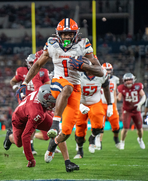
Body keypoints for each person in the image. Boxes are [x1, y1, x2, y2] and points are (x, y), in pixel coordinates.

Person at [17, 18, 104, 171]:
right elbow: (38, 64)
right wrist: (25, 82)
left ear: (75, 34)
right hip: (58, 82)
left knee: (67, 132)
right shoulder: (52, 44)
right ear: (58, 35)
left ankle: (53, 144)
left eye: (70, 34)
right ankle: (55, 122)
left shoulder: (83, 44)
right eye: (64, 35)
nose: (67, 38)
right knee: (67, 88)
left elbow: (100, 70)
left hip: (76, 88)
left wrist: (84, 66)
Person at [3, 84, 58, 168]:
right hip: (19, 121)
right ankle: (10, 136)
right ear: (44, 100)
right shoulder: (37, 113)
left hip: (29, 112)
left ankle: (65, 159)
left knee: (56, 128)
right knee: (19, 143)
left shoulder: (39, 94)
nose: (53, 105)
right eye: (51, 103)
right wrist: (30, 159)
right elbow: (25, 136)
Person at [10, 52, 50, 155]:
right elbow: (13, 81)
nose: (33, 64)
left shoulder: (43, 72)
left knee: (39, 121)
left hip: (38, 99)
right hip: (25, 100)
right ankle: (29, 147)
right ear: (27, 63)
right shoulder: (21, 71)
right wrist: (15, 87)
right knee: (30, 121)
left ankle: (52, 146)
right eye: (31, 62)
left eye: (35, 62)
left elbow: (47, 86)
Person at [74, 65, 111, 158]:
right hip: (80, 103)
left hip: (95, 102)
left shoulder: (101, 74)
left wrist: (109, 104)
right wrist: (79, 105)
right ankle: (80, 150)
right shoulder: (78, 74)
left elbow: (106, 89)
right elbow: (72, 92)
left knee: (99, 124)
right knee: (79, 129)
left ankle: (93, 137)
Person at [117, 73, 146, 150]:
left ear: (133, 80)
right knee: (125, 128)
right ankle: (122, 142)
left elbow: (143, 96)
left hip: (136, 110)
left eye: (130, 80)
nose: (129, 82)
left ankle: (140, 139)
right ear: (124, 81)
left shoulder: (137, 86)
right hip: (127, 110)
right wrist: (113, 96)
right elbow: (119, 98)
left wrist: (140, 104)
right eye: (127, 80)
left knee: (139, 128)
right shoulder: (121, 88)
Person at [100, 63, 120, 149]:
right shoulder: (98, 78)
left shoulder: (115, 79)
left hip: (111, 104)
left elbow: (114, 93)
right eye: (106, 69)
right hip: (101, 104)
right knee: (100, 125)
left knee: (116, 126)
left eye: (109, 70)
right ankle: (99, 143)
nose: (108, 71)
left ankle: (116, 138)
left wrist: (114, 105)